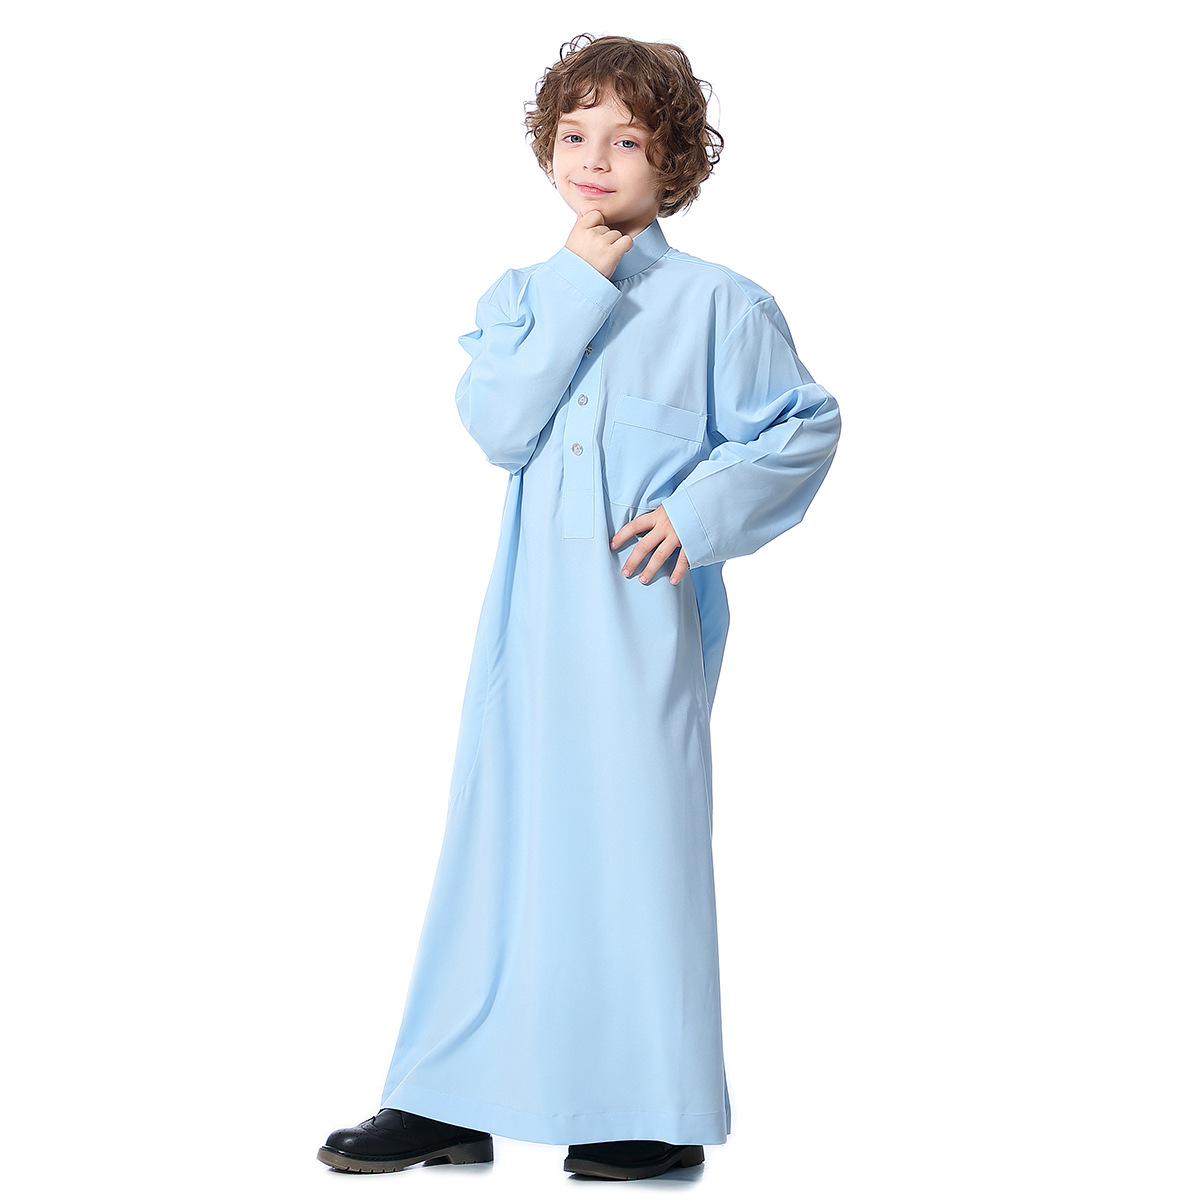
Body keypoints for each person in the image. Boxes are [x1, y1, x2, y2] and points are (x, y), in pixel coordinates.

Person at [317, 32, 842, 1183]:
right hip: (526, 632)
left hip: (639, 631)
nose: (594, 160)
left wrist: (700, 512)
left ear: (676, 161)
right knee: (494, 851)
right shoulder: (523, 296)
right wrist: (576, 279)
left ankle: (646, 1110)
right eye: (573, 135)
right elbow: (500, 427)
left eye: (627, 141)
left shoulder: (720, 306)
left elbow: (802, 426)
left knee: (634, 859)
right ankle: (446, 1098)